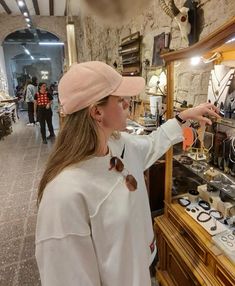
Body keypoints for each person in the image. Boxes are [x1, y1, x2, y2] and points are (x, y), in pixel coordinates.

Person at [35, 61, 220, 286]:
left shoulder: (118, 144)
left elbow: (152, 144)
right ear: (96, 112)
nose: (128, 103)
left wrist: (183, 117)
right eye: (120, 99)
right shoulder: (63, 195)